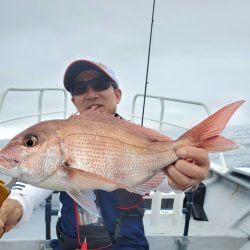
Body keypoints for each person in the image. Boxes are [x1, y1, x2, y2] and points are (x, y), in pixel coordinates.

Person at [0, 59, 210, 249]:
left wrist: (186, 178)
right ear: (74, 101)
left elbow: (168, 180)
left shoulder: (139, 140)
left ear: (117, 94)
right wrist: (11, 207)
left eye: (100, 85)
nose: (91, 94)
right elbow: (28, 190)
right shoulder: (59, 141)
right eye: (81, 89)